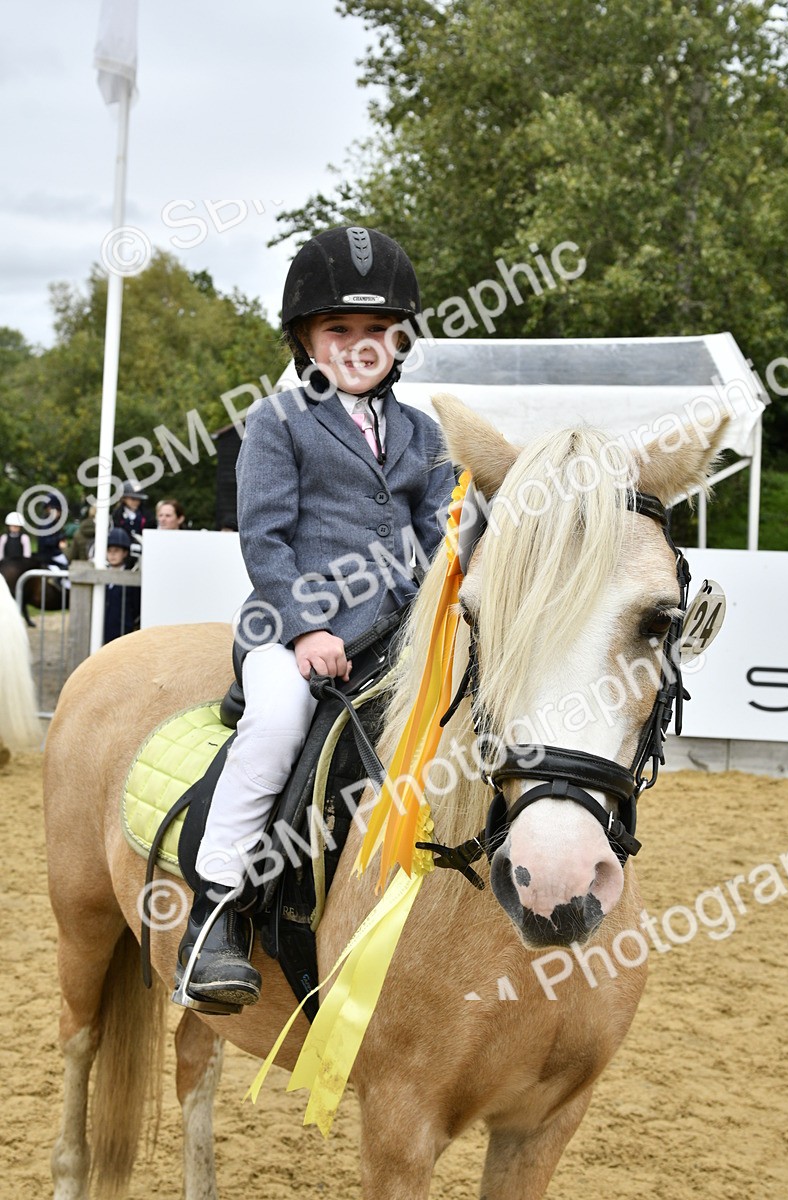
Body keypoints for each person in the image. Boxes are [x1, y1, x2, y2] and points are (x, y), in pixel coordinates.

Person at [174, 225, 454, 1010]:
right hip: (293, 631)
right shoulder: (277, 421)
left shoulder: (426, 433)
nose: (360, 346)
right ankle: (214, 917)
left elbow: (442, 539)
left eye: (378, 330)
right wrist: (307, 629)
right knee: (275, 725)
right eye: (339, 329)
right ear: (304, 338)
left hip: (398, 636)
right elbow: (264, 539)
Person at [103, 528, 141, 643]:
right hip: (103, 628)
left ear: (125, 553)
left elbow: (136, 605)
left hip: (123, 631)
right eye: (109, 550)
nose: (112, 554)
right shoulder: (102, 575)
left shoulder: (131, 578)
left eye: (116, 550)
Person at [112, 482, 150, 563]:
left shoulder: (146, 515)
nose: (136, 502)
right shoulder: (117, 515)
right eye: (133, 499)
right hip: (123, 551)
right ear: (124, 498)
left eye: (138, 499)